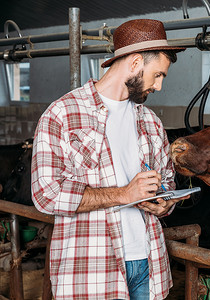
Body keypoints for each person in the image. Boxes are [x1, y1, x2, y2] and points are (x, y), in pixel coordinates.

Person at [31, 19, 188, 299]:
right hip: (92, 269)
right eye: (158, 75)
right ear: (135, 62)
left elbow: (165, 180)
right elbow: (46, 194)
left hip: (148, 263)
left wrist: (164, 203)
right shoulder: (62, 114)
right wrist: (125, 194)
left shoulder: (150, 121)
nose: (159, 86)